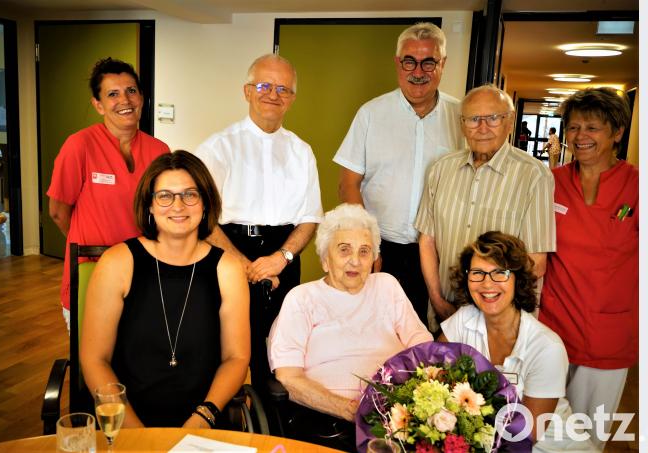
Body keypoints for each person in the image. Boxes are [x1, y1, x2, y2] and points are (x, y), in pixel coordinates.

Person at [80, 151, 250, 428]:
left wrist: (203, 417)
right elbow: (94, 359)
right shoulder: (117, 263)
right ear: (149, 205)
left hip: (203, 418)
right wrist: (137, 434)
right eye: (165, 196)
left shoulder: (228, 269)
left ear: (205, 203)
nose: (178, 206)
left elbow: (236, 357)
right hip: (126, 420)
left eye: (190, 195)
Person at [194, 54, 323, 392]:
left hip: (284, 258)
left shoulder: (302, 152)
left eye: (283, 88)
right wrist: (241, 262)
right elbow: (203, 216)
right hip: (228, 253)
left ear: (292, 98)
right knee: (225, 348)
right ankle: (223, 421)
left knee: (279, 350)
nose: (273, 95)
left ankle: (275, 427)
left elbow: (310, 218)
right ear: (247, 91)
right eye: (264, 86)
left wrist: (282, 258)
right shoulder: (218, 147)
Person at [268, 203, 433, 449]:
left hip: (399, 417)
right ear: (325, 259)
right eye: (344, 250)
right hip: (329, 423)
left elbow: (426, 351)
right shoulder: (302, 299)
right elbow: (289, 378)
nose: (355, 261)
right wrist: (353, 410)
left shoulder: (387, 286)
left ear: (374, 259)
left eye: (364, 251)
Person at [334, 22, 464, 330]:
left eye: (429, 61)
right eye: (409, 61)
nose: (418, 71)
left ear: (442, 64)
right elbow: (348, 183)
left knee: (433, 335)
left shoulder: (460, 118)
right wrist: (368, 243)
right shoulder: (371, 114)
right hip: (383, 249)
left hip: (439, 252)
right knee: (375, 332)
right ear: (398, 63)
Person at [538, 87, 637, 450]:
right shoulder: (552, 182)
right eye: (574, 127)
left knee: (587, 439)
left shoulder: (638, 186)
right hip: (552, 327)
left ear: (617, 132)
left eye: (592, 128)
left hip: (608, 333)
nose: (580, 137)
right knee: (543, 430)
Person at [440, 231, 596, 452]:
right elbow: (431, 374)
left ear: (518, 279)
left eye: (500, 273)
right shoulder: (464, 319)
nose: (487, 284)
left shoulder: (546, 347)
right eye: (477, 273)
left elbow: (525, 435)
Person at [47, 57, 170, 329]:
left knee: (140, 357)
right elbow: (58, 212)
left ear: (142, 97)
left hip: (142, 271)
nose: (124, 100)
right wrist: (89, 242)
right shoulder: (79, 146)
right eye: (113, 94)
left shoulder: (159, 151)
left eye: (131, 91)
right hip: (92, 268)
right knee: (93, 360)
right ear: (98, 104)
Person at [415, 84, 555, 322]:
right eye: (473, 119)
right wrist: (437, 299)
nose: (482, 128)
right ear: (462, 125)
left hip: (500, 320)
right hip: (445, 311)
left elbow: (536, 263)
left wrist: (486, 309)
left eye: (493, 118)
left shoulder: (534, 175)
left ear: (510, 122)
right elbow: (427, 240)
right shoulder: (441, 169)